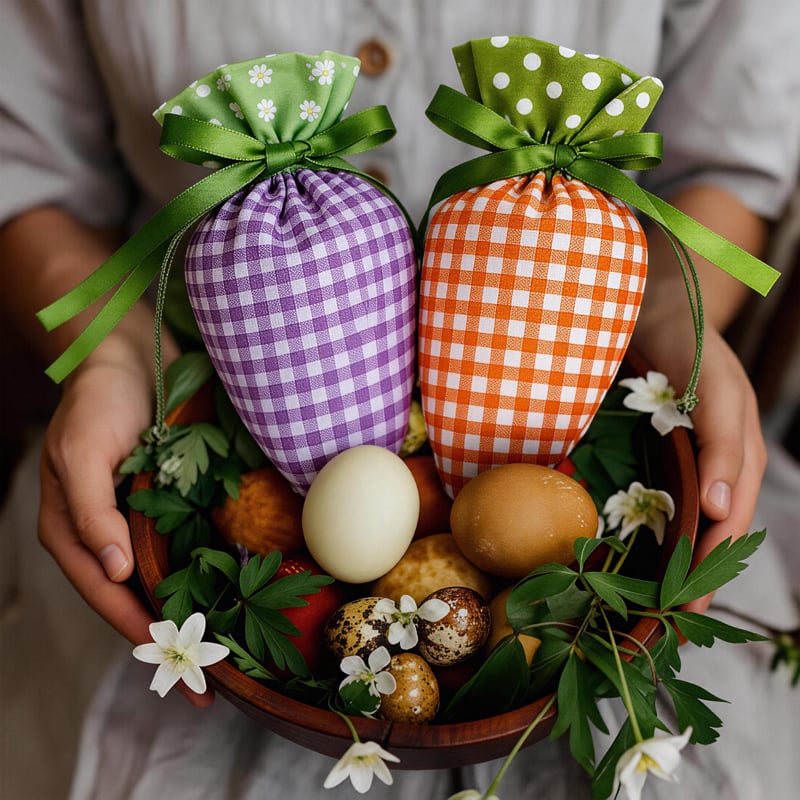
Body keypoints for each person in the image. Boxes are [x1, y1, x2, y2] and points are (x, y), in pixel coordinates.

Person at [0, 1, 798, 797]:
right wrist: (113, 359)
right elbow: (28, 175)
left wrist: (670, 321)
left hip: (621, 407)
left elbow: (727, 163)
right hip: (182, 408)